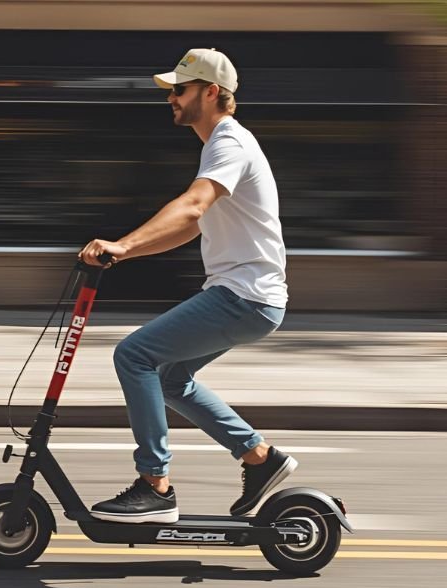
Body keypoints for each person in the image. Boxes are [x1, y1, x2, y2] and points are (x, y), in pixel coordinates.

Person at [78, 48, 296, 524]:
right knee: (170, 377)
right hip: (246, 295)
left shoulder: (229, 142)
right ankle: (260, 458)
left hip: (244, 295)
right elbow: (189, 227)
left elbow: (192, 206)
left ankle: (155, 486)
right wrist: (127, 251)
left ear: (212, 92)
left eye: (179, 89)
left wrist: (122, 242)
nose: (170, 99)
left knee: (133, 355)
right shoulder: (219, 145)